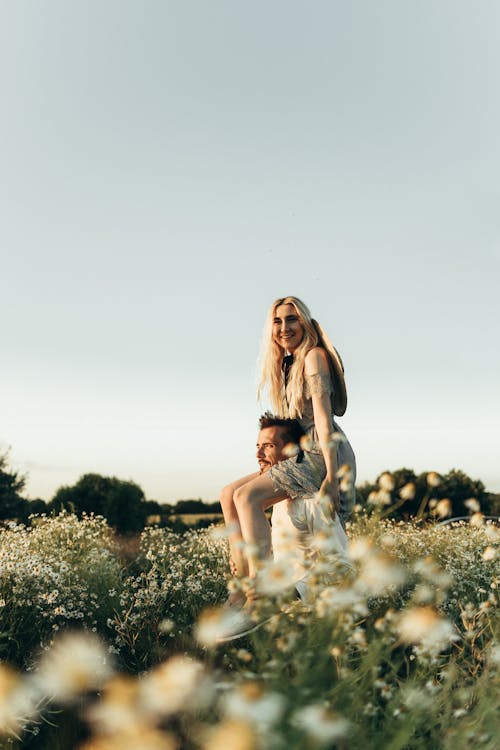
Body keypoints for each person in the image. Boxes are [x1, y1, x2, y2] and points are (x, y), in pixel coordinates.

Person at [220, 296, 356, 598]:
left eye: (292, 319)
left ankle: (261, 592)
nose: (284, 327)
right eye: (278, 321)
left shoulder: (314, 357)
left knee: (247, 497)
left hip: (322, 451)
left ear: (304, 322)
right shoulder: (285, 364)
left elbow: (323, 419)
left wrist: (332, 477)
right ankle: (240, 588)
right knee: (229, 495)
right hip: (297, 453)